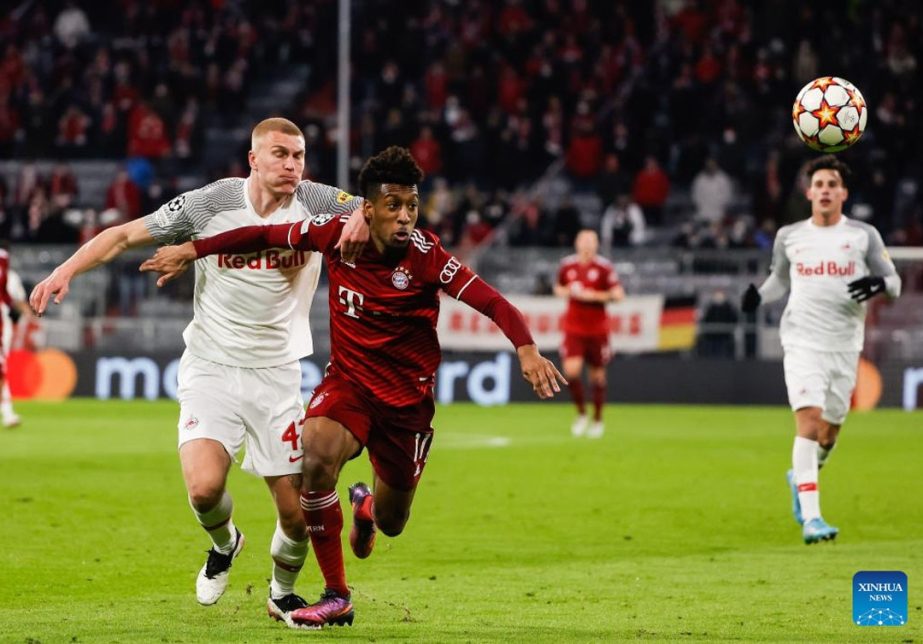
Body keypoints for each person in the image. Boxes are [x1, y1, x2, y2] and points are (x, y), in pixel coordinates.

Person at [140, 145, 567, 630]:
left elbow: (492, 302)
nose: (405, 216)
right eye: (393, 205)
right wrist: (192, 248)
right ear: (368, 209)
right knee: (316, 454)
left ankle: (364, 507)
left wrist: (526, 349)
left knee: (391, 522)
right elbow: (262, 233)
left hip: (406, 405)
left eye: (411, 205)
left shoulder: (428, 258)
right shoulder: (334, 237)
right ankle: (336, 594)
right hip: (350, 385)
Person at [29, 117, 369, 624]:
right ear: (253, 159)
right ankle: (225, 543)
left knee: (297, 517)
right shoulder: (211, 204)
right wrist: (67, 269)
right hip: (210, 367)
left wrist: (363, 213)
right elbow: (124, 235)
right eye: (280, 154)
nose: (292, 165)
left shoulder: (318, 200)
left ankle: (282, 592)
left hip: (277, 374)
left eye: (299, 155)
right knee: (204, 489)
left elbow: (380, 210)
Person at [740, 155, 901, 545]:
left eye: (833, 185)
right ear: (809, 192)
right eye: (820, 184)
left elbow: (894, 282)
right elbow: (780, 280)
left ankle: (801, 475)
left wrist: (879, 287)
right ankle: (813, 519)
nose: (826, 190)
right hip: (801, 340)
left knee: (827, 435)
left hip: (845, 344)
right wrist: (758, 298)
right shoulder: (790, 236)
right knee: (808, 422)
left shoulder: (864, 235)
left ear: (843, 193)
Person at [553, 230, 625, 438]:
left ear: (596, 244)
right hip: (573, 328)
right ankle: (582, 413)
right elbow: (558, 288)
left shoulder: (604, 267)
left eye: (590, 241)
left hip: (597, 330)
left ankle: (598, 419)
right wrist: (569, 292)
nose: (586, 245)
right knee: (571, 371)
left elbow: (619, 295)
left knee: (597, 376)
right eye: (583, 241)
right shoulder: (567, 265)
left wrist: (594, 295)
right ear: (576, 243)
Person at [1, 254, 32, 427]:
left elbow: (18, 302)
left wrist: (30, 314)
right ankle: (7, 412)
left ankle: (7, 412)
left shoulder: (10, 277)